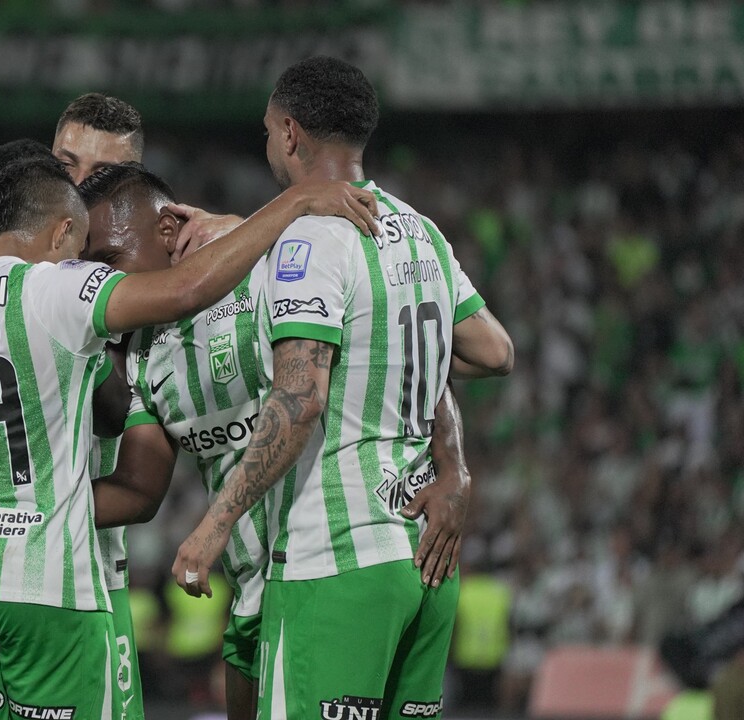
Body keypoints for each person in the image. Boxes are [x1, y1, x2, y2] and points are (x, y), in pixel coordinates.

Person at [0, 146, 378, 714]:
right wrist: (294, 202)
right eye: (81, 245)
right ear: (62, 232)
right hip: (42, 581)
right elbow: (186, 290)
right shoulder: (56, 293)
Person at [171, 56, 514, 718]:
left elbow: (300, 402)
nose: (268, 143)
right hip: (423, 561)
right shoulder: (420, 231)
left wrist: (216, 525)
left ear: (292, 133)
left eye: (269, 131)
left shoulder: (313, 238)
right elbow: (493, 351)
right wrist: (453, 465)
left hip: (336, 561)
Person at [79, 162, 473, 720]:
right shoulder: (140, 351)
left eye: (110, 261)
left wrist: (453, 463)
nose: (105, 281)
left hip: (328, 571)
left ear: (167, 230)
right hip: (252, 601)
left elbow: (398, 346)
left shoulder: (272, 269)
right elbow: (141, 489)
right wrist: (28, 506)